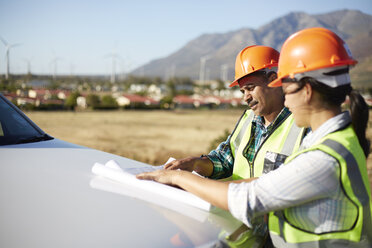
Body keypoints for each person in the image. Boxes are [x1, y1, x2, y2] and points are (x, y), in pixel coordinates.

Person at [137, 27, 372, 247]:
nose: (287, 101)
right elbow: (249, 173)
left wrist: (179, 179)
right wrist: (194, 168)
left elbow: (251, 197)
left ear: (307, 91)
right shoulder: (330, 142)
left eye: (287, 90)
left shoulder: (324, 156)